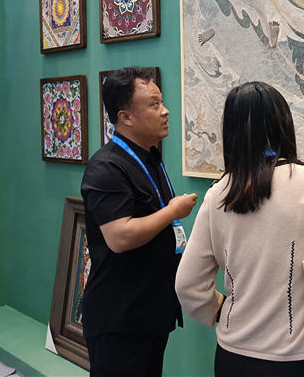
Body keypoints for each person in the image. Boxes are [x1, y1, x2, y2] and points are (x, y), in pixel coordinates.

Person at [175, 81, 304, 377]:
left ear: (231, 131)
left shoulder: (218, 194)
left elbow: (187, 285)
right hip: (301, 358)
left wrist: (219, 310)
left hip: (233, 357)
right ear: (284, 123)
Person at [80, 67, 197, 377]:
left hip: (151, 310)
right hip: (120, 317)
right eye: (154, 104)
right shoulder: (106, 167)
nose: (165, 111)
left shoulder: (149, 157)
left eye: (162, 102)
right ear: (126, 117)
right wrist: (172, 212)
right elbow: (120, 236)